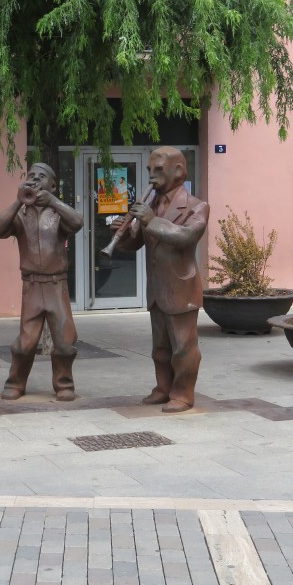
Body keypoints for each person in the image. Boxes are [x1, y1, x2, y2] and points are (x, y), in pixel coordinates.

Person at [117, 146, 208, 413]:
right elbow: (135, 243)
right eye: (149, 170)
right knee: (160, 347)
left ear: (178, 171)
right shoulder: (152, 205)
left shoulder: (197, 206)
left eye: (158, 170)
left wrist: (152, 220)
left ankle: (183, 394)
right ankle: (163, 388)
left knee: (183, 347)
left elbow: (185, 237)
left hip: (181, 288)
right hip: (157, 289)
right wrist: (122, 234)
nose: (151, 176)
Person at [0, 163, 83, 401]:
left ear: (53, 185)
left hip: (56, 285)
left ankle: (64, 384)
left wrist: (53, 201)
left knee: (65, 340)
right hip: (31, 286)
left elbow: (77, 222)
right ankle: (15, 382)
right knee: (26, 342)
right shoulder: (21, 215)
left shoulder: (58, 214)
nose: (35, 179)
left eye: (42, 177)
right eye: (31, 175)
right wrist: (18, 201)